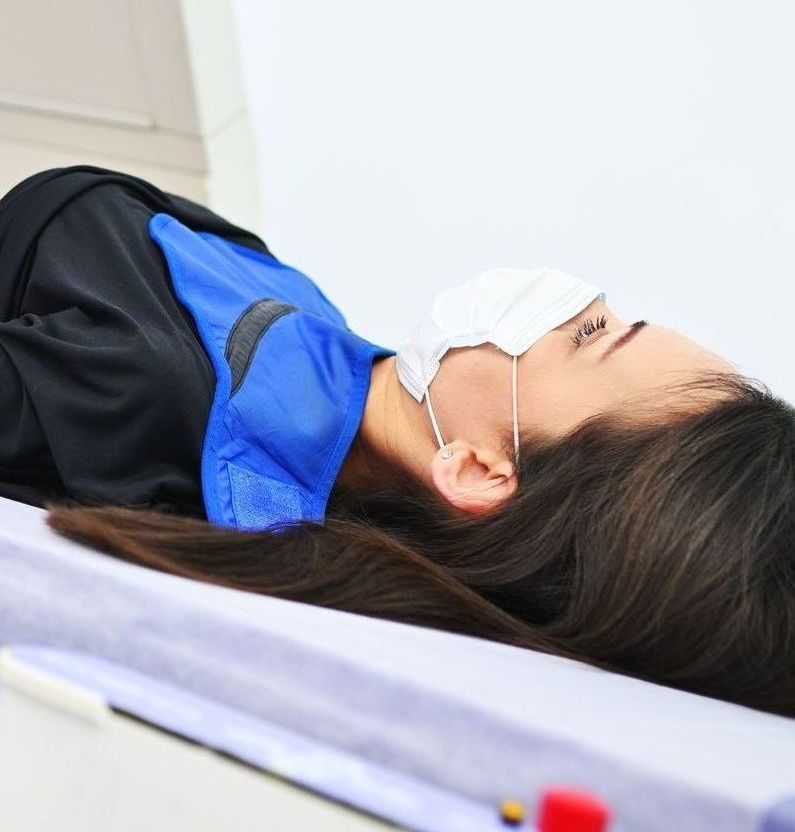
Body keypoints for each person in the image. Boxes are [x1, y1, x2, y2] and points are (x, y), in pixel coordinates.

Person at [1, 166, 793, 718]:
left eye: (590, 335)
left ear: (480, 467)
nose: (569, 297)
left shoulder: (129, 394)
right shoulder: (333, 362)